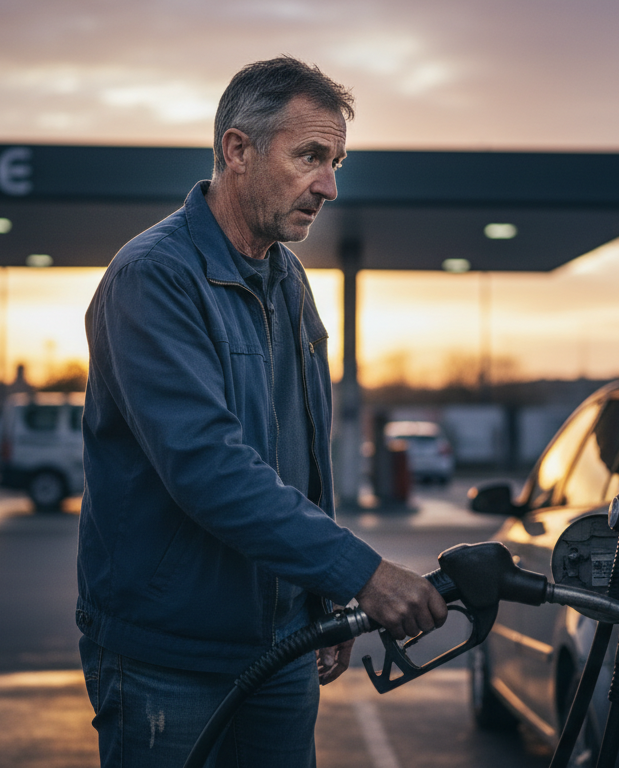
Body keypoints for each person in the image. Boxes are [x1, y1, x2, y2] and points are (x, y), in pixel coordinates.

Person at [76, 56, 448, 767]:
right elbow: (206, 466)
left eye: (336, 161)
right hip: (168, 655)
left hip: (279, 647)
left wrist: (322, 594)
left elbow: (306, 450)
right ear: (237, 150)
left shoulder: (289, 278)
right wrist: (357, 573)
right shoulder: (153, 278)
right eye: (310, 156)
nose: (329, 186)